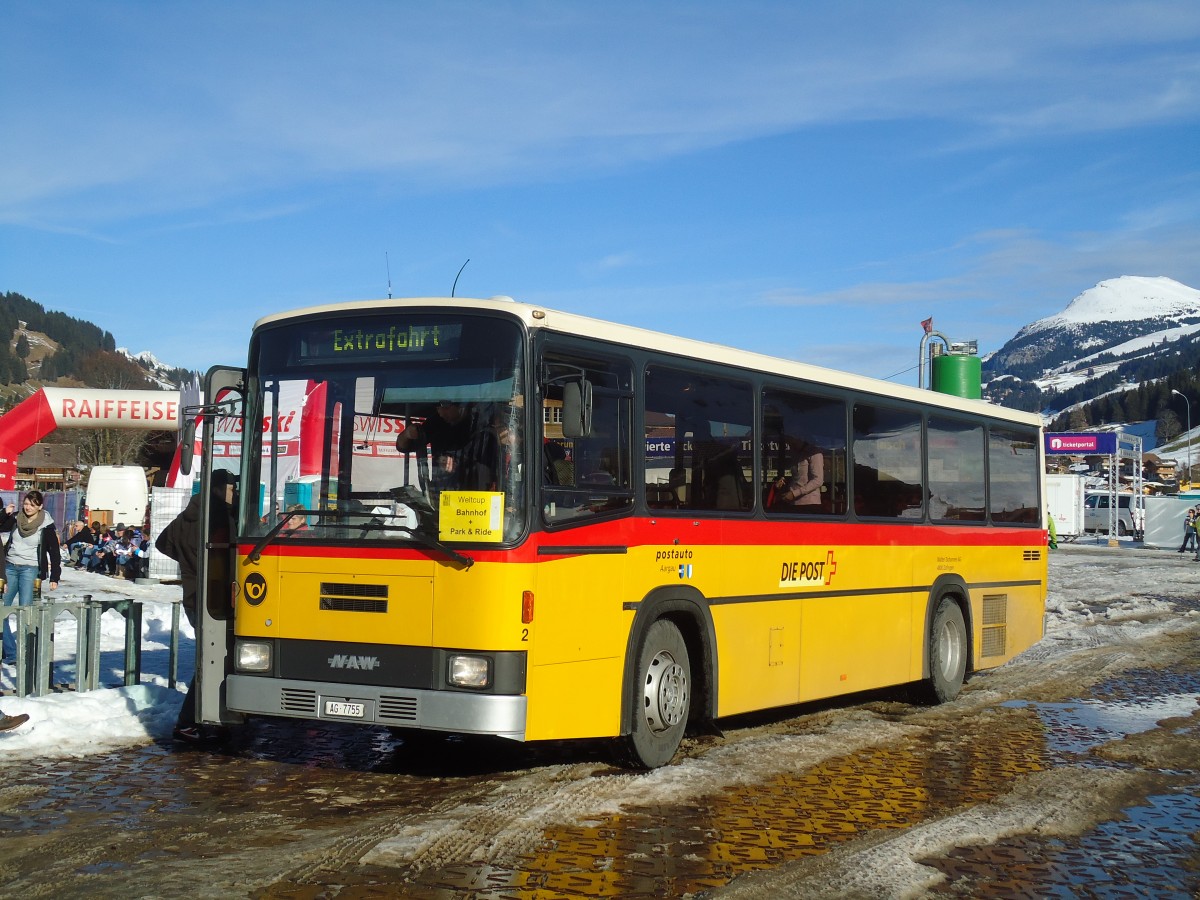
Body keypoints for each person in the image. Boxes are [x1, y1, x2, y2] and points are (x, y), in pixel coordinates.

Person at [155, 469, 236, 744]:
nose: (234, 491)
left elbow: (161, 542)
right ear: (221, 488)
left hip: (193, 594)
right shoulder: (223, 516)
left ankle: (214, 714)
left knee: (211, 655)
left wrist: (188, 565)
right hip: (216, 596)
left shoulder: (189, 512)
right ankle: (188, 721)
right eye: (231, 487)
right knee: (213, 658)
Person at [0, 490, 62, 663]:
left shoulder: (46, 526)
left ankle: (26, 651)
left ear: (40, 506)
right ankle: (12, 652)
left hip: (30, 569)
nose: (27, 507)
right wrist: (4, 513)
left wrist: (55, 576)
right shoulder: (15, 519)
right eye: (26, 504)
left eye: (32, 505)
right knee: (1, 609)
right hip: (10, 567)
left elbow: (54, 553)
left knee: (26, 611)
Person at [772, 441, 824, 508]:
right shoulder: (795, 454)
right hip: (793, 502)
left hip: (809, 504)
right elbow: (798, 478)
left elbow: (818, 480)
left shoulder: (815, 453)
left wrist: (795, 493)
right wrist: (784, 481)